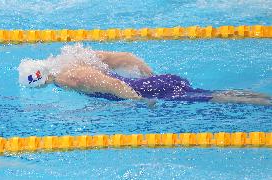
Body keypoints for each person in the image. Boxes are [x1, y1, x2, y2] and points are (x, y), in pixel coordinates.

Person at [18, 44, 271, 105]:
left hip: (151, 90)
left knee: (216, 98)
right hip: (154, 82)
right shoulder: (69, 58)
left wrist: (138, 102)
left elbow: (107, 83)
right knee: (210, 94)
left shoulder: (65, 77)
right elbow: (126, 58)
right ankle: (261, 97)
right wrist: (149, 74)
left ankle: (263, 100)